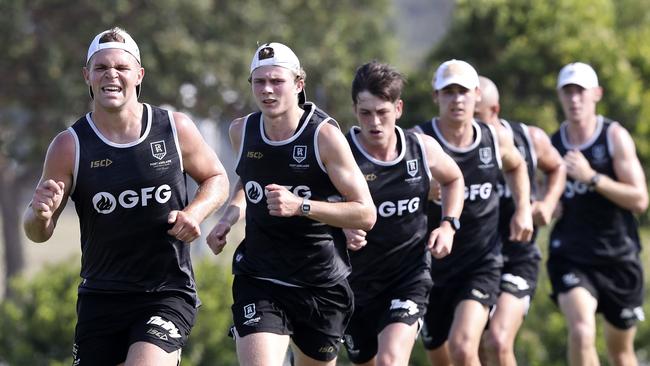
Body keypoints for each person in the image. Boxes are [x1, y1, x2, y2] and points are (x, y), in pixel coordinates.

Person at [22, 27, 229, 366]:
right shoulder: (69, 145)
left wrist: (195, 213)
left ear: (139, 75)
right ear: (87, 75)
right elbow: (37, 231)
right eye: (101, 67)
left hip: (166, 292)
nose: (111, 75)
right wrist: (40, 214)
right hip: (101, 296)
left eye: (121, 67)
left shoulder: (173, 128)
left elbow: (216, 178)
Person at [205, 42, 376, 366]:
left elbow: (366, 213)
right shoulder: (241, 130)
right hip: (260, 276)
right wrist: (228, 218)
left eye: (277, 81)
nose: (267, 90)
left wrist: (302, 206)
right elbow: (249, 181)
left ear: (299, 84)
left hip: (320, 281)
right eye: (260, 82)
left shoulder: (323, 136)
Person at [341, 61, 465, 366]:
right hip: (353, 283)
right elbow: (314, 208)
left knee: (391, 361)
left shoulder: (421, 148)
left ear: (398, 108)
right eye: (365, 112)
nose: (374, 123)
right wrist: (340, 227)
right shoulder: (340, 152)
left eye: (382, 112)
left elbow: (454, 178)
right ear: (354, 109)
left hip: (407, 276)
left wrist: (448, 224)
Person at [413, 59, 534, 366]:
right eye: (448, 92)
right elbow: (391, 186)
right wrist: (424, 190)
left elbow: (517, 165)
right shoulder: (418, 142)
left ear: (477, 95)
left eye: (463, 92)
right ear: (435, 97)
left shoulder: (493, 138)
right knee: (441, 357)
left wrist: (523, 208)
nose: (457, 100)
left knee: (464, 347)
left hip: (481, 264)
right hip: (431, 267)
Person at [548, 62, 648, 366]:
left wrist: (591, 177)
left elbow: (640, 200)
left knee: (621, 353)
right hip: (572, 255)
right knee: (581, 330)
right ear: (560, 97)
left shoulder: (614, 137)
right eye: (568, 92)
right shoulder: (554, 145)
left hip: (618, 257)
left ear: (596, 94)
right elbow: (542, 196)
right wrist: (548, 204)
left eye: (580, 91)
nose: (574, 99)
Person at [475, 76, 566, 366]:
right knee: (474, 349)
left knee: (498, 339)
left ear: (495, 110)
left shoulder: (530, 138)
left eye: (478, 116)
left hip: (517, 256)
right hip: (472, 260)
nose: (470, 125)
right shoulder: (457, 146)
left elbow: (558, 167)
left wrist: (547, 203)